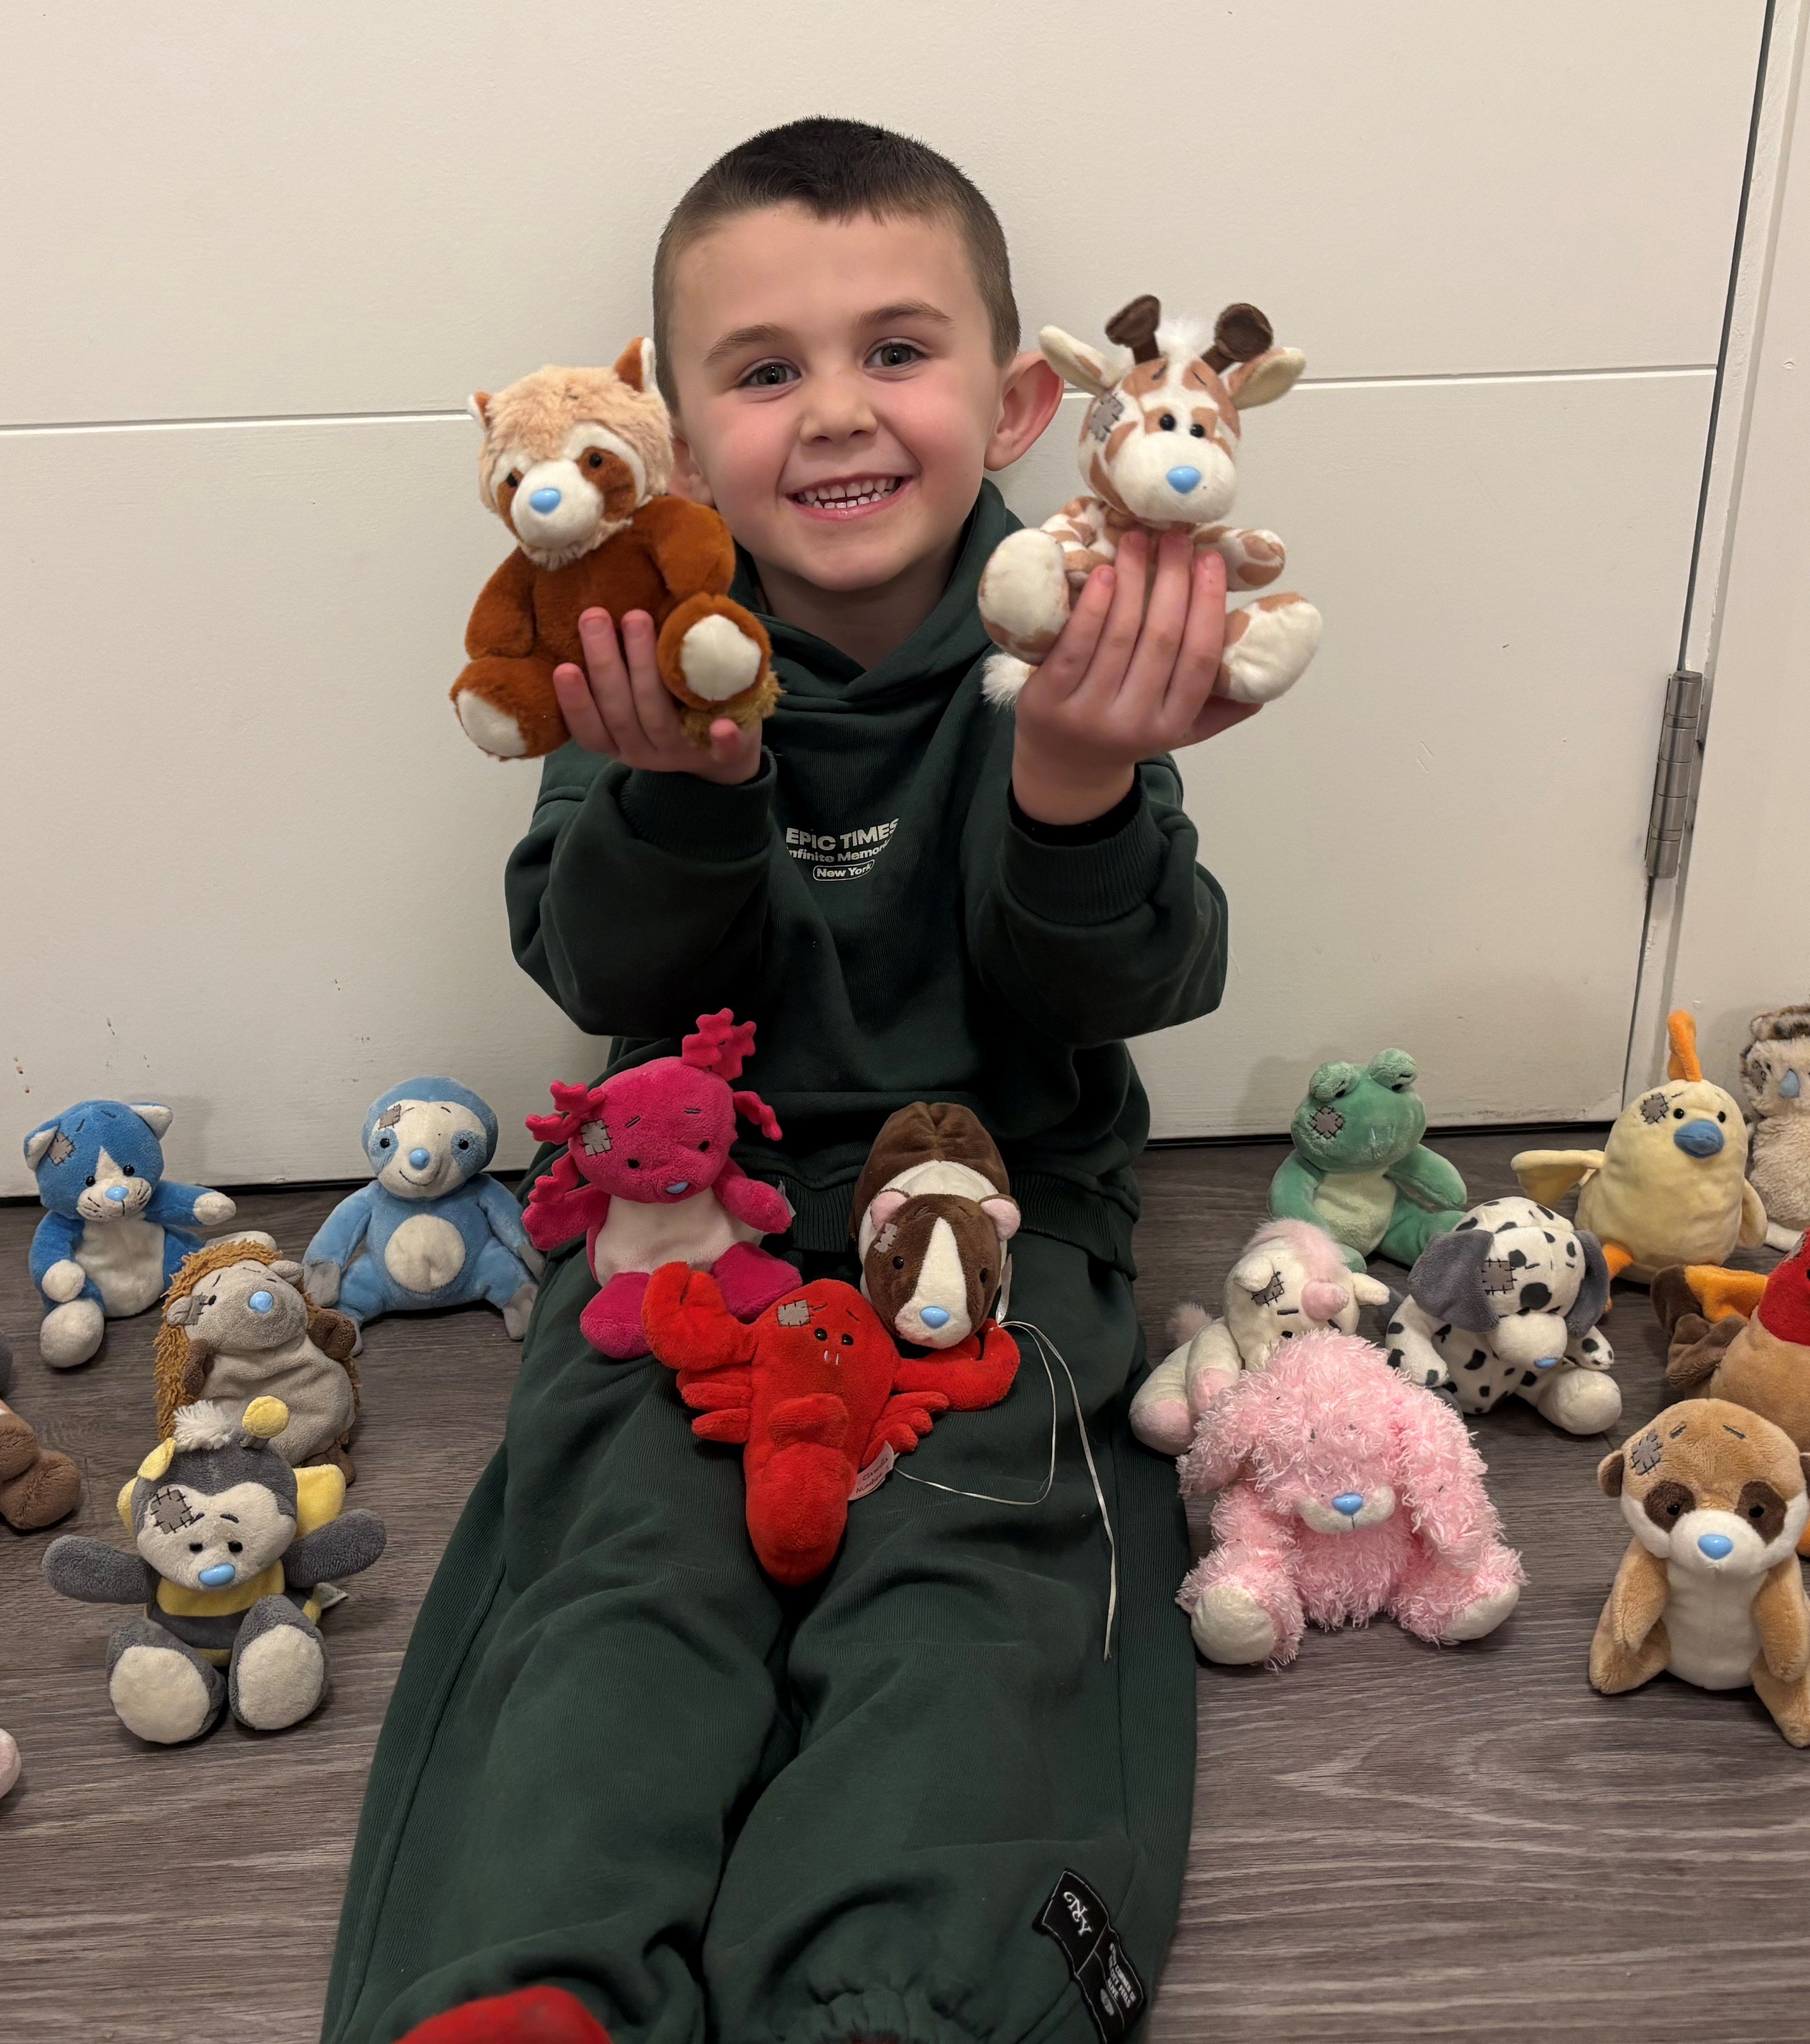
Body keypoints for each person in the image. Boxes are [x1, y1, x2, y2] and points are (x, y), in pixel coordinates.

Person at [325, 117, 1246, 2044]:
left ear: (1015, 405)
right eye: (765, 371)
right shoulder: (634, 640)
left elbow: (1134, 981)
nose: (834, 411)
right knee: (628, 1560)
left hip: (995, 1219)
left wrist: (1075, 783)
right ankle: (536, 1981)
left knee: (970, 1577)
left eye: (895, 352)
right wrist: (685, 795)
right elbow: (599, 969)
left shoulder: (1072, 626)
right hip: (686, 1219)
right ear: (673, 433)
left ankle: (891, 1997)